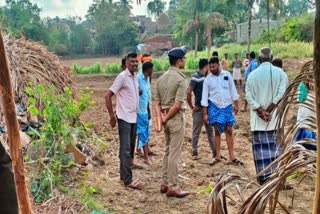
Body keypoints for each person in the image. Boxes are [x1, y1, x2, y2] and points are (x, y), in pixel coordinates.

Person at [245, 47, 289, 185]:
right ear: (271, 58)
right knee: (277, 149)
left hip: (259, 121)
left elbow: (248, 95)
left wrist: (260, 111)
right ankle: (278, 179)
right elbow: (281, 94)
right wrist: (269, 110)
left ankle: (263, 177)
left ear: (258, 59)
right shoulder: (281, 74)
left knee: (260, 150)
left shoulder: (252, 75)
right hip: (276, 119)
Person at [105, 52, 144, 190]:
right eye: (132, 61)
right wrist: (111, 116)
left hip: (133, 116)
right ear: (126, 63)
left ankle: (124, 175)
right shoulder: (122, 77)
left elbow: (132, 92)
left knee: (130, 147)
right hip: (124, 118)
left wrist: (137, 93)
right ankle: (128, 180)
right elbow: (108, 96)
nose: (134, 64)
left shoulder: (134, 77)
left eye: (136, 61)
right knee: (126, 149)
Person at [154, 46, 189, 198]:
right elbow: (177, 104)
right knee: (174, 152)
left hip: (165, 118)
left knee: (168, 150)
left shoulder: (161, 79)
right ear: (179, 61)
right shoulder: (181, 79)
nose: (184, 61)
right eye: (183, 59)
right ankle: (173, 186)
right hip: (175, 118)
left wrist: (160, 119)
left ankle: (165, 182)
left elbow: (156, 102)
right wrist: (166, 118)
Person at [201, 57, 242, 166]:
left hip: (228, 105)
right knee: (217, 131)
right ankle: (218, 156)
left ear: (218, 65)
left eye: (214, 66)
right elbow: (204, 97)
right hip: (214, 106)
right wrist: (205, 113)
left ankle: (232, 156)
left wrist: (236, 104)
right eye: (210, 67)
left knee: (229, 130)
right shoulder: (207, 80)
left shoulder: (227, 75)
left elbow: (233, 90)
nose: (212, 69)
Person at [187, 58, 216, 161]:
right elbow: (188, 91)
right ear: (206, 66)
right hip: (200, 109)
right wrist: (191, 106)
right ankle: (195, 152)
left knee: (206, 132)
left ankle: (214, 152)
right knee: (200, 132)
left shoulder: (205, 77)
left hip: (205, 109)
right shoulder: (196, 77)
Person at [137, 62, 153, 165]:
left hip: (145, 109)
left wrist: (149, 110)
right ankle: (146, 157)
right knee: (143, 134)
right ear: (148, 69)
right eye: (152, 69)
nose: (153, 71)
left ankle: (138, 150)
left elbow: (146, 96)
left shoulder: (147, 79)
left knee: (144, 132)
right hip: (138, 110)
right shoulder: (138, 78)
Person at [295, 81, 316, 150]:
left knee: (301, 146)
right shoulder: (303, 85)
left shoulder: (303, 84)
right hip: (311, 124)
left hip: (304, 122)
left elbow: (300, 99)